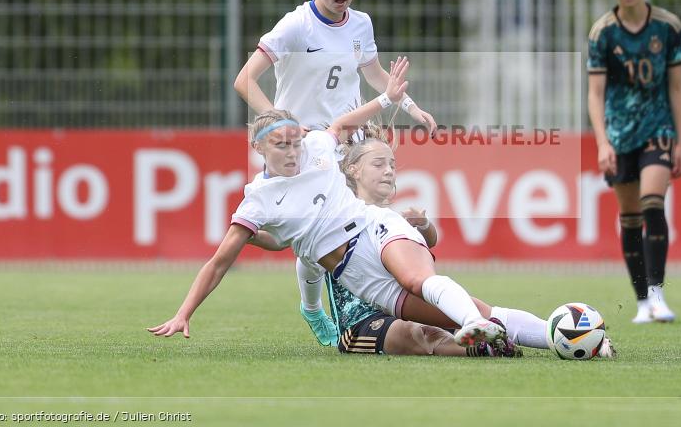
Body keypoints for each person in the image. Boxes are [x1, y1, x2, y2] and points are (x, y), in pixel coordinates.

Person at [148, 58, 507, 349]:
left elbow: (341, 124)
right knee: (309, 253)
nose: (292, 151)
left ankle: (497, 332)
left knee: (416, 298)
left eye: (294, 142)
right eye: (281, 144)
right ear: (258, 147)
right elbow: (217, 264)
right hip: (333, 262)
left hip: (355, 243)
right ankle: (312, 307)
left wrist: (388, 100)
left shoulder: (318, 148)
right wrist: (184, 313)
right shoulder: (258, 200)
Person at [233, 0, 438, 346]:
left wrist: (412, 106)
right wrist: (282, 122)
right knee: (310, 240)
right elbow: (244, 81)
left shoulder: (360, 24)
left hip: (349, 141)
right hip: (304, 149)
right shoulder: (295, 26)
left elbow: (377, 77)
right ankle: (312, 308)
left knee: (364, 223)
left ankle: (369, 308)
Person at [251, 125, 587, 358]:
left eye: (392, 165)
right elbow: (305, 262)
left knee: (479, 310)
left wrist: (424, 224)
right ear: (352, 171)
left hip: (400, 299)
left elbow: (429, 245)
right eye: (380, 164)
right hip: (361, 322)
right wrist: (313, 311)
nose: (389, 171)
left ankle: (560, 336)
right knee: (418, 334)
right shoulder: (330, 222)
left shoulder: (385, 220)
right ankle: (482, 345)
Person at [587, 0, 681, 324]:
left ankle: (659, 293)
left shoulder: (668, 27)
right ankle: (643, 302)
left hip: (659, 129)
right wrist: (603, 143)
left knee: (652, 204)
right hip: (619, 135)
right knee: (630, 218)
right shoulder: (602, 33)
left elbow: (677, 88)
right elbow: (595, 93)